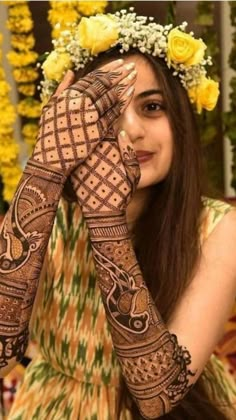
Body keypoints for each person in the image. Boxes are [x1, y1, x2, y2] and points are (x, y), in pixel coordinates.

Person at [0, 8, 236, 420]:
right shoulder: (46, 217)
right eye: (106, 111)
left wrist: (105, 216)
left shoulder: (218, 227)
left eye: (152, 107)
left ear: (179, 119)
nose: (130, 130)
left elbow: (156, 395)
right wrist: (45, 170)